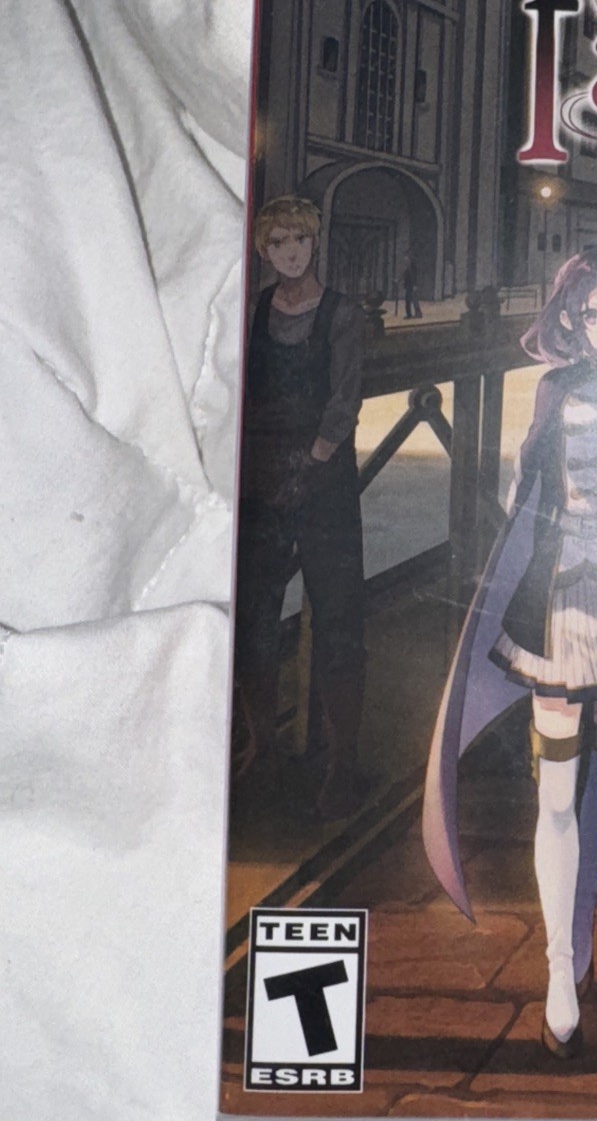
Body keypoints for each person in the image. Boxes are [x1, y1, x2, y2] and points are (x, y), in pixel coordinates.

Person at [422, 251, 597, 1060]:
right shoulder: (556, 388)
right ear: (574, 312)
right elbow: (523, 492)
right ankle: (560, 969)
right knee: (558, 795)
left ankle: (578, 934)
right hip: (558, 601)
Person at [233, 195, 368, 819]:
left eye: (300, 241)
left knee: (338, 615)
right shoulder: (256, 310)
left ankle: (342, 763)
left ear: (316, 244)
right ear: (264, 250)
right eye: (277, 243)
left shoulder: (342, 313)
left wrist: (312, 460)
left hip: (322, 477)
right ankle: (261, 744)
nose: (290, 253)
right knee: (255, 612)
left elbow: (344, 401)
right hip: (262, 479)